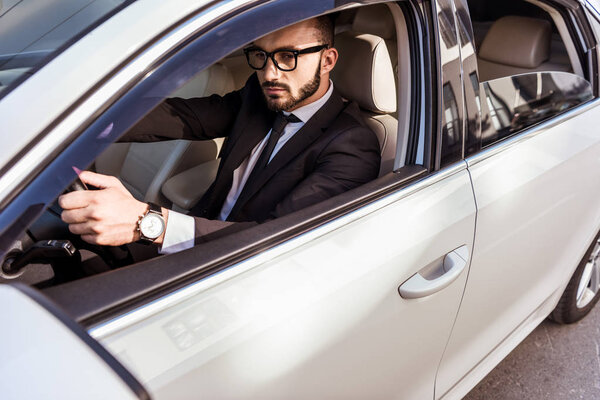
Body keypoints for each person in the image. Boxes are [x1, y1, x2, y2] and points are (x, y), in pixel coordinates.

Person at [59, 15, 381, 253]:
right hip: (192, 234)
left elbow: (274, 238)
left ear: (327, 60)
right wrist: (84, 123)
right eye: (261, 55)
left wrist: (147, 221)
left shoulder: (352, 146)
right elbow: (181, 118)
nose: (269, 73)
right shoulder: (260, 95)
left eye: (287, 57)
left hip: (234, 267)